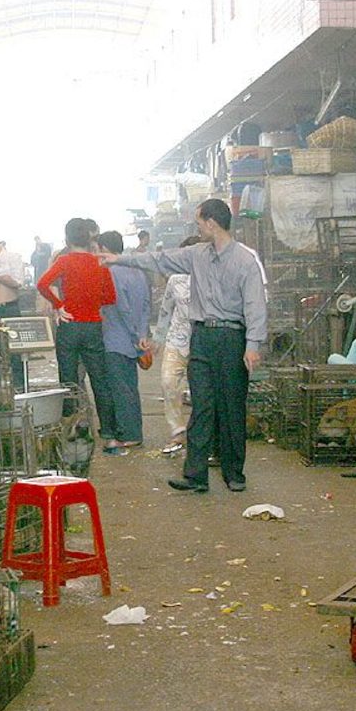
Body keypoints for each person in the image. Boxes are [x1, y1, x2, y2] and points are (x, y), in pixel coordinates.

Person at [107, 199, 267, 493]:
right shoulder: (196, 255)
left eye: (199, 223)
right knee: (202, 406)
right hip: (202, 338)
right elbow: (159, 259)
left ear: (211, 223)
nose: (197, 228)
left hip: (233, 338)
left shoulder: (245, 260)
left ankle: (234, 473)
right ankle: (196, 475)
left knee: (231, 406)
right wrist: (119, 259)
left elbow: (255, 304)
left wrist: (253, 344)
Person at [37, 217, 117, 425]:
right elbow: (110, 297)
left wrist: (58, 305)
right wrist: (92, 302)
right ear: (89, 238)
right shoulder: (99, 263)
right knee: (100, 380)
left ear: (67, 239)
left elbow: (42, 284)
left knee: (68, 380)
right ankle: (109, 434)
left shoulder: (63, 261)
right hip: (93, 326)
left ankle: (73, 429)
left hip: (69, 326)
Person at [95, 230, 150, 454]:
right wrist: (142, 335)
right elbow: (146, 304)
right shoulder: (136, 271)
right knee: (130, 388)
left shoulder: (112, 272)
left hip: (117, 338)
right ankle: (134, 432)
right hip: (135, 339)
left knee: (120, 390)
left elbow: (122, 307)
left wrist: (134, 334)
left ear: (105, 250)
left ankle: (128, 435)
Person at [153, 236, 200, 456]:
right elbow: (166, 310)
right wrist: (159, 339)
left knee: (202, 392)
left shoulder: (213, 277)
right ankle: (177, 430)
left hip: (203, 341)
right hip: (177, 340)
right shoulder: (175, 280)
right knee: (169, 382)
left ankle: (200, 434)